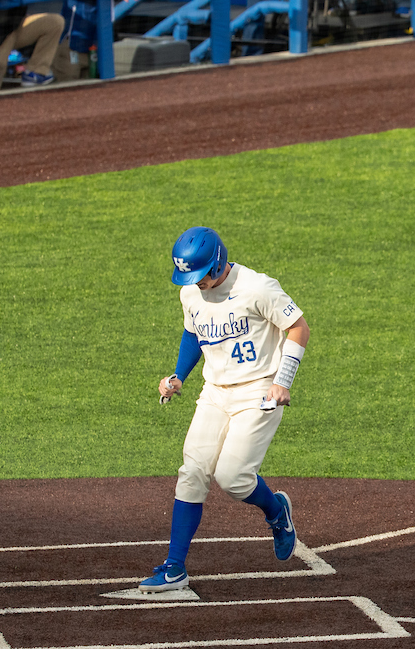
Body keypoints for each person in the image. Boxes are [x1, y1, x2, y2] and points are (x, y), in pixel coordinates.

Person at [139, 227, 310, 593]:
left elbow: (298, 328)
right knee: (193, 470)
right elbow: (193, 332)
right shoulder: (190, 292)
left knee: (232, 478)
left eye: (201, 277)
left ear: (217, 263)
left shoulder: (257, 287)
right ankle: (174, 567)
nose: (197, 285)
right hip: (214, 391)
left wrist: (284, 380)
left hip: (259, 391)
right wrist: (179, 375)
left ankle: (276, 511)